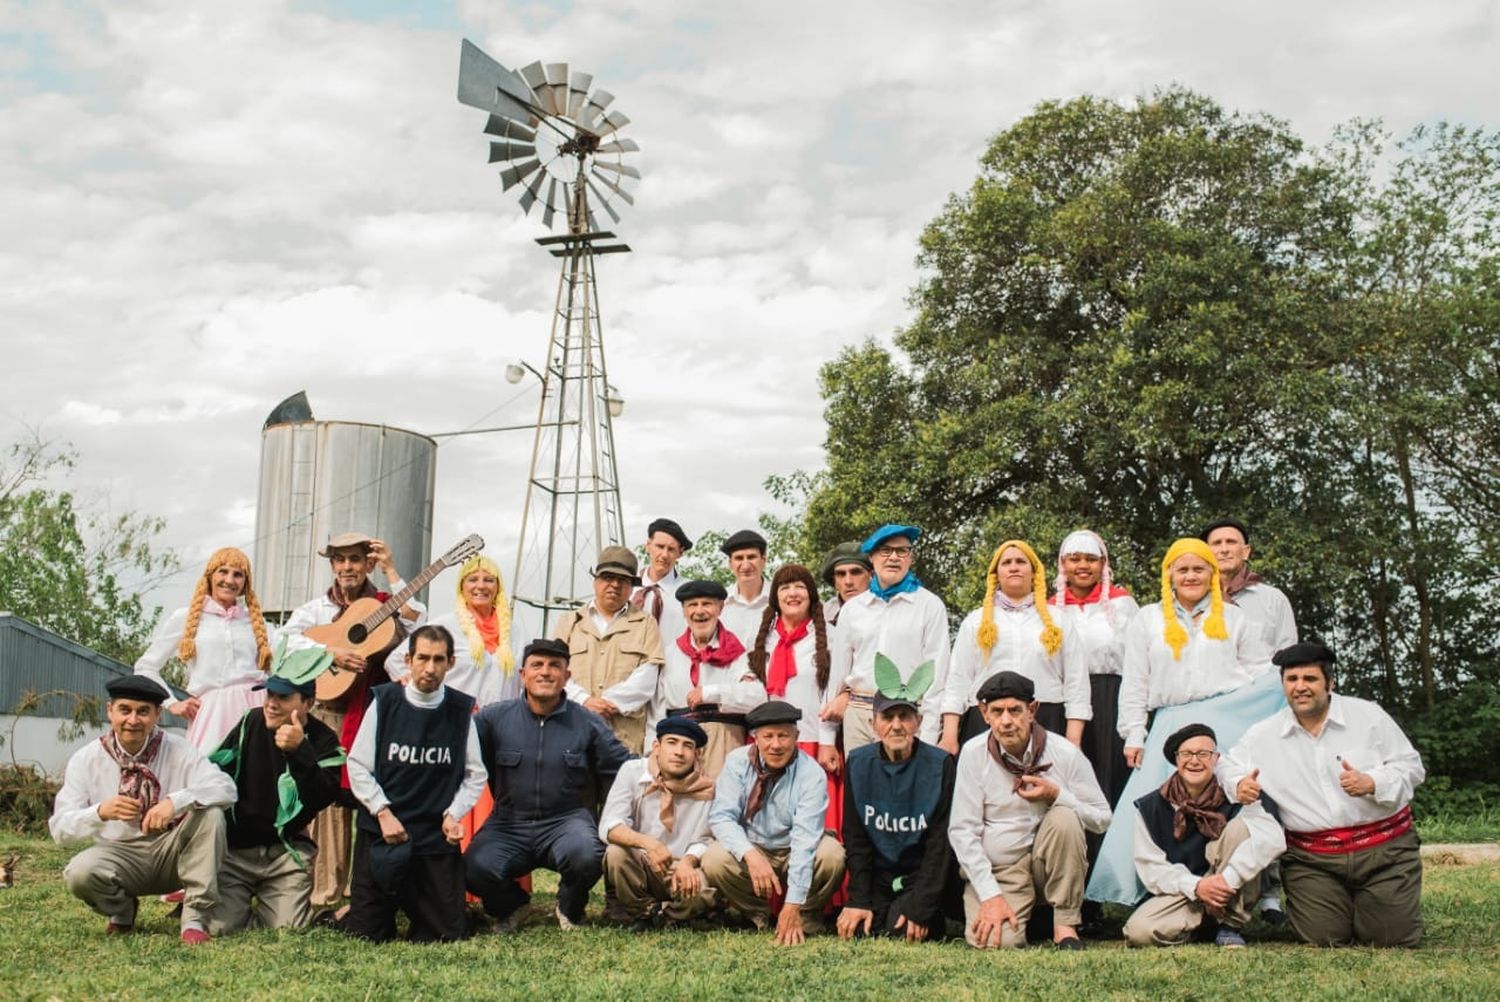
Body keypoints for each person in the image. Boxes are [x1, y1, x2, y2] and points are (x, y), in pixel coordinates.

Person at [1087, 537, 1279, 907]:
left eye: (1199, 568)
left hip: (1225, 719)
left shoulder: (1236, 618)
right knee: (1155, 807)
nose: (1191, 575)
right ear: (1170, 574)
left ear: (1211, 573)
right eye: (1183, 569)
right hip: (1170, 722)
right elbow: (1136, 680)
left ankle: (1247, 889)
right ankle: (1152, 891)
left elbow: (1260, 674)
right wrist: (1133, 733)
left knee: (1233, 801)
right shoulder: (1148, 618)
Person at [1220, 642, 1425, 948]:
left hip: (1384, 852)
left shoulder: (1367, 716)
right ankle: (1339, 906)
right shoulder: (1264, 734)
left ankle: (1377, 905)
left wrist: (1373, 781)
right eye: (1292, 680)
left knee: (1390, 938)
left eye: (1310, 679)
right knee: (1324, 937)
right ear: (1283, 685)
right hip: (1314, 860)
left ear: (1330, 682)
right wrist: (1237, 784)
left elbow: (1412, 766)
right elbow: (1227, 765)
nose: (1300, 687)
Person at [274, 531, 427, 910]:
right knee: (328, 798)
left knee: (371, 797)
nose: (347, 567)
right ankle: (325, 887)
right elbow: (283, 642)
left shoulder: (383, 605)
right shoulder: (315, 611)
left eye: (356, 559)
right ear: (332, 566)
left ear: (368, 564)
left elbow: (416, 621)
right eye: (340, 560)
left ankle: (368, 886)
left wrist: (393, 571)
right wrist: (331, 652)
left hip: (372, 713)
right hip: (327, 709)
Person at [50, 675, 236, 944]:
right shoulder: (86, 759)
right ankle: (122, 910)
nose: (133, 720)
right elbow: (59, 829)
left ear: (158, 714)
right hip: (120, 855)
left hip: (171, 851)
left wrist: (176, 802)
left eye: (143, 712)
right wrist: (100, 811)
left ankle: (195, 917)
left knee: (211, 813)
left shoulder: (177, 748)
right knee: (79, 873)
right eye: (125, 710)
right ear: (110, 710)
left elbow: (226, 787)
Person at [467, 639, 634, 931]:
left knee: (587, 854)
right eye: (537, 665)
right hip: (509, 823)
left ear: (567, 676)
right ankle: (513, 905)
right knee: (475, 867)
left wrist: (664, 767)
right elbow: (460, 755)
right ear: (523, 674)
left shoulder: (587, 722)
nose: (545, 672)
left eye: (555, 666)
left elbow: (625, 766)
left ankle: (569, 906)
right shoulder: (494, 719)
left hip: (566, 820)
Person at [341, 625, 486, 943]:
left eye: (438, 660)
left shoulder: (461, 711)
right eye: (422, 658)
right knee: (367, 934)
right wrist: (382, 812)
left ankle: (441, 906)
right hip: (383, 832)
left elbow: (476, 774)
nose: (430, 668)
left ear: (451, 663)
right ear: (408, 659)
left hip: (433, 835)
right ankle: (360, 909)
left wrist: (454, 814)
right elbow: (358, 765)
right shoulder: (384, 700)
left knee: (446, 934)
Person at [948, 671, 1111, 951]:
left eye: (1015, 710)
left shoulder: (1063, 752)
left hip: (1047, 864)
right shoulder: (974, 753)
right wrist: (990, 895)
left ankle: (1065, 926)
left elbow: (1102, 819)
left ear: (1032, 710)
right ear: (985, 714)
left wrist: (1057, 795)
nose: (1006, 721)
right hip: (1002, 870)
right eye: (997, 712)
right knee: (993, 943)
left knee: (1064, 817)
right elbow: (962, 830)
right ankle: (1026, 915)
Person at [203, 648, 345, 935]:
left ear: (308, 703)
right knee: (219, 929)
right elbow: (214, 771)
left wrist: (300, 752)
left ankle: (279, 909)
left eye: (283, 697)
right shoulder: (250, 722)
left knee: (287, 930)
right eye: (269, 695)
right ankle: (240, 906)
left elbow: (321, 797)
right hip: (237, 853)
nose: (272, 704)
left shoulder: (324, 741)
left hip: (286, 854)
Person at [1124, 724, 1284, 949]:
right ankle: (1204, 924)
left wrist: (1225, 881)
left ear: (1216, 759)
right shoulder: (1150, 807)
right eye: (1187, 754)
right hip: (1185, 891)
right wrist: (1198, 887)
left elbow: (1273, 840)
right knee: (1139, 932)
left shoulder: (1238, 793)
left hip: (1230, 885)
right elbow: (1152, 869)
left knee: (1241, 830)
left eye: (1203, 754)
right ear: (1176, 760)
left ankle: (1229, 924)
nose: (1195, 761)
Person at [701, 701, 847, 945]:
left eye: (784, 736)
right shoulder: (737, 762)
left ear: (797, 737)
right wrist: (750, 854)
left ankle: (804, 914)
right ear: (754, 738)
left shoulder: (811, 774)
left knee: (831, 855)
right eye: (768, 736)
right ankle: (758, 916)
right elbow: (722, 817)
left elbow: (805, 839)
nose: (776, 744)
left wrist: (792, 905)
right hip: (755, 846)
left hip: (794, 848)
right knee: (714, 859)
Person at [399, 554, 516, 851]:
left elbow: (520, 677)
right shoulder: (446, 625)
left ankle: (490, 875)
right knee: (458, 796)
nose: (481, 586)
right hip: (456, 725)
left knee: (496, 797)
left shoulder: (511, 628)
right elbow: (397, 660)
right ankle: (453, 874)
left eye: (488, 579)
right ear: (461, 586)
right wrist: (415, 688)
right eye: (473, 579)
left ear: (498, 586)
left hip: (500, 728)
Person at [837, 682, 958, 943]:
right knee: (861, 930)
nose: (896, 725)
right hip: (879, 877)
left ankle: (931, 912)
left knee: (901, 930)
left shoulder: (940, 765)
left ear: (919, 721)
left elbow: (941, 845)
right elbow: (856, 838)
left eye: (904, 716)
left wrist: (921, 907)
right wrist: (859, 899)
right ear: (873, 724)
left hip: (919, 877)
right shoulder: (858, 763)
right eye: (887, 717)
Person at [943, 539, 1089, 752]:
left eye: (1021, 561)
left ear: (1034, 572)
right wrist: (949, 736)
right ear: (996, 574)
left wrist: (1073, 739)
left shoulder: (1059, 621)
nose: (1013, 567)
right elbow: (958, 680)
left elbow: (1077, 682)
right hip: (985, 722)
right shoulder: (975, 621)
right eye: (1006, 562)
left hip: (1047, 718)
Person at [133, 547, 274, 751]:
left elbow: (287, 656)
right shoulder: (186, 617)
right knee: (210, 775)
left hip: (258, 710)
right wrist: (172, 703)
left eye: (238, 574)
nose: (230, 580)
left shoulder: (256, 622)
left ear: (245, 582)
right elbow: (145, 667)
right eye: (223, 572)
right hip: (213, 713)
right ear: (210, 576)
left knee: (257, 777)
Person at [746, 565, 848, 833]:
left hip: (814, 741)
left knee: (815, 822)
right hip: (770, 742)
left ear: (811, 595)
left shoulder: (830, 638)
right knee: (771, 823)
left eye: (800, 587)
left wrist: (827, 742)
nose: (793, 593)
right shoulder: (762, 639)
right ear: (775, 597)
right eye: (785, 587)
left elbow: (832, 692)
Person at [832, 523, 951, 752]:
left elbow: (937, 676)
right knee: (861, 784)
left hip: (906, 715)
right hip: (859, 714)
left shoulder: (929, 605)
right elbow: (838, 674)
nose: (893, 557)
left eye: (902, 551)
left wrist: (928, 736)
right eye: (885, 551)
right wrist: (827, 737)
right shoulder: (853, 609)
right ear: (872, 558)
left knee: (906, 784)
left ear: (910, 558)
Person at [1049, 530, 1140, 812]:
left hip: (1110, 697)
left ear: (1103, 564)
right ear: (1063, 564)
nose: (1083, 566)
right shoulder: (1048, 609)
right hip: (1065, 700)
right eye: (1074, 559)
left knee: (1108, 773)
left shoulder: (1122, 604)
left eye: (1091, 559)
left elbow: (1136, 659)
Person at [599, 717, 718, 931]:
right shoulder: (632, 771)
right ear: (656, 747)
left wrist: (687, 862)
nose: (679, 752)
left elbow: (704, 839)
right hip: (643, 861)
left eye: (687, 746)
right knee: (616, 853)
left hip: (681, 868)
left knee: (701, 892)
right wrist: (647, 844)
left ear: (696, 754)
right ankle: (642, 910)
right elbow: (609, 825)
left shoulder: (707, 788)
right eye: (672, 742)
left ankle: (667, 916)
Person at [553, 544, 666, 756]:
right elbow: (554, 671)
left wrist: (608, 703)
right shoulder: (570, 622)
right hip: (572, 733)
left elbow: (648, 678)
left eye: (623, 580)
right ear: (595, 580)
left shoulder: (645, 624)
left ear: (632, 586)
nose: (614, 585)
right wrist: (584, 701)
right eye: (607, 578)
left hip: (623, 739)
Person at [648, 579, 765, 779]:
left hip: (725, 742)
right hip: (678, 745)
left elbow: (757, 697)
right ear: (684, 611)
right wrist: (652, 753)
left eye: (707, 604)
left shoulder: (737, 653)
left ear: (720, 608)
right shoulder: (670, 653)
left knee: (721, 804)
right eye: (692, 605)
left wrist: (709, 693)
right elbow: (657, 709)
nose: (699, 611)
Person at [1202, 518, 1298, 653]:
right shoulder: (1192, 601)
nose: (1224, 550)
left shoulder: (1274, 599)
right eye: (1217, 543)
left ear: (1246, 551)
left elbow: (1288, 655)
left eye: (1231, 542)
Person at [631, 517, 693, 643]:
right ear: (648, 546)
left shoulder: (690, 594)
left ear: (680, 553)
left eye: (671, 549)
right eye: (660, 546)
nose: (664, 555)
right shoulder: (627, 587)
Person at [718, 528, 770, 642]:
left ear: (763, 560)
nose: (746, 566)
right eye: (739, 558)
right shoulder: (719, 605)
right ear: (730, 564)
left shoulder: (781, 601)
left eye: (751, 557)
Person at [819, 541, 872, 626]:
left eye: (856, 572)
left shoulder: (888, 608)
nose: (848, 581)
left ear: (871, 576)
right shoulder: (824, 615)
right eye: (841, 574)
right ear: (834, 582)